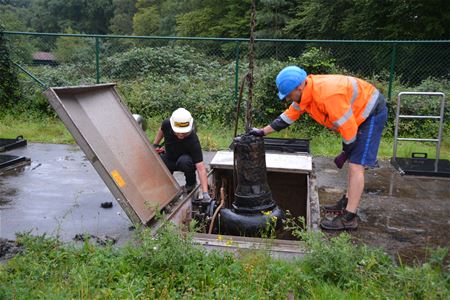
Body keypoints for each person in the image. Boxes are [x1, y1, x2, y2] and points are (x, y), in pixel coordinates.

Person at [249, 66, 387, 230]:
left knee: (356, 165)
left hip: (371, 113)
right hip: (356, 114)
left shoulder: (328, 95)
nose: (287, 99)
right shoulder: (306, 94)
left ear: (299, 87)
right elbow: (288, 116)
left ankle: (349, 217)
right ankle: (347, 202)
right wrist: (262, 132)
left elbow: (349, 129)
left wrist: (347, 150)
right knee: (353, 162)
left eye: (288, 95)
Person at [153, 108, 211, 201]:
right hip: (170, 158)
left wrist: (205, 193)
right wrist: (155, 144)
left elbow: (200, 167)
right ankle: (167, 188)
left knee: (184, 161)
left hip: (185, 162)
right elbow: (161, 130)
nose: (181, 134)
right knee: (159, 161)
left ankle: (190, 185)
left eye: (184, 132)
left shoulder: (193, 139)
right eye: (178, 132)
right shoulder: (167, 124)